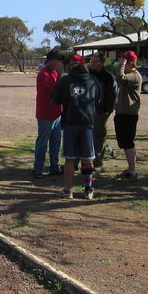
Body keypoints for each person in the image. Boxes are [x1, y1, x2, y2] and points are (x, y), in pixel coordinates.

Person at [52, 54, 102, 200]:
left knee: (69, 158)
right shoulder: (93, 80)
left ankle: (68, 190)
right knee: (87, 158)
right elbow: (99, 100)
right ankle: (88, 190)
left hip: (70, 122)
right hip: (87, 123)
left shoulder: (65, 80)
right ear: (83, 64)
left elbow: (55, 100)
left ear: (70, 65)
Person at [32, 49, 64, 178]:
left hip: (57, 114)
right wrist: (61, 75)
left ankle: (54, 166)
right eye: (57, 60)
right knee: (43, 142)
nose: (59, 63)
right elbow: (56, 89)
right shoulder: (44, 74)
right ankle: (38, 168)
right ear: (51, 61)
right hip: (45, 114)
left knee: (56, 142)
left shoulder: (54, 73)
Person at [114, 51, 142, 180]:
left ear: (130, 63)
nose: (121, 64)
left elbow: (120, 78)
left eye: (124, 62)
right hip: (122, 113)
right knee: (124, 143)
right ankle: (131, 168)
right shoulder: (128, 74)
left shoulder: (135, 76)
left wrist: (121, 65)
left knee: (128, 142)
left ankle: (133, 170)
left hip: (129, 114)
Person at [88, 51, 117, 170]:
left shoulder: (108, 77)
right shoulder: (88, 74)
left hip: (101, 112)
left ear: (101, 63)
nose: (92, 64)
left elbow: (112, 96)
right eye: (91, 61)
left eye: (95, 62)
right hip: (87, 110)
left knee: (98, 136)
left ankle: (97, 161)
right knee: (86, 135)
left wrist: (107, 111)